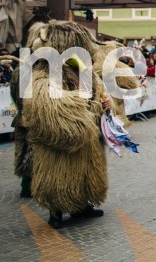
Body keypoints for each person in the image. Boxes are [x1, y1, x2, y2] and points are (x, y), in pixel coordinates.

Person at [24, 21, 112, 229]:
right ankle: (56, 211)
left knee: (85, 172)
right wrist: (75, 102)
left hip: (87, 137)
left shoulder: (85, 72)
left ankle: (81, 205)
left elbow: (98, 92)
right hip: (63, 138)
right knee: (58, 173)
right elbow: (45, 101)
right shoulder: (43, 75)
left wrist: (104, 102)